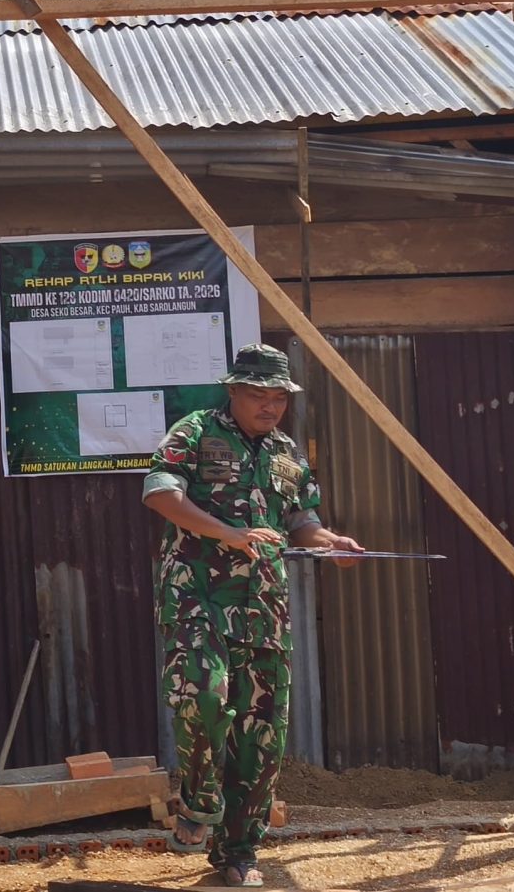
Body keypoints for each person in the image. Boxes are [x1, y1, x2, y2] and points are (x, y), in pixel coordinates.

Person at [142, 345, 360, 887]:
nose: (269, 408)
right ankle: (198, 803)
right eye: (258, 396)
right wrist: (228, 534)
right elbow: (160, 496)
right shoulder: (194, 431)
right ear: (233, 391)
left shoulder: (286, 450)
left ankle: (238, 855)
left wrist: (328, 542)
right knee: (202, 694)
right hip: (197, 598)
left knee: (261, 734)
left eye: (278, 399)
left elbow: (300, 519)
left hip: (264, 607)